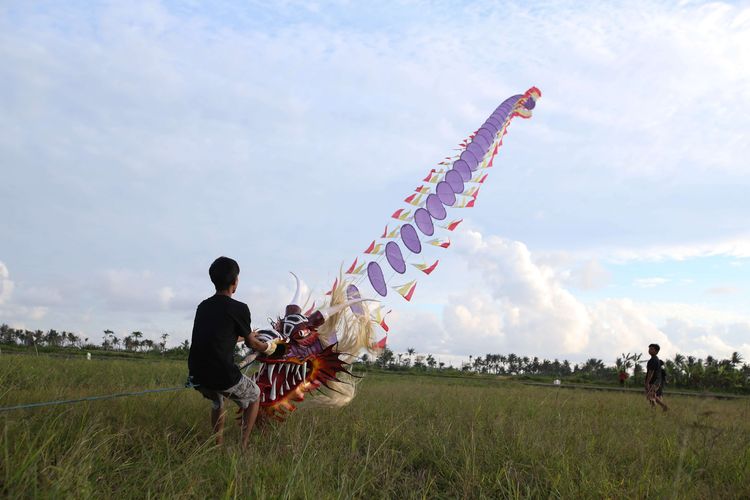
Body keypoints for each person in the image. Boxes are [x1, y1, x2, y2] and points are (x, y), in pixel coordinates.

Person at [188, 256, 278, 448]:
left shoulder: (203, 307)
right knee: (255, 395)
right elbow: (252, 344)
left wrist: (246, 336)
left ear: (213, 279)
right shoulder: (239, 308)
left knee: (218, 400)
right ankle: (243, 445)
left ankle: (217, 444)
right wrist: (268, 347)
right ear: (235, 282)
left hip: (197, 375)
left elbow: (221, 335)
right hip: (222, 376)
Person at [645, 343, 668, 412]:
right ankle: (663, 406)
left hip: (653, 381)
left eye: (652, 349)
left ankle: (654, 411)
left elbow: (651, 372)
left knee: (651, 397)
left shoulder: (653, 360)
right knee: (653, 396)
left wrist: (647, 382)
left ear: (656, 351)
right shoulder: (655, 360)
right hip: (656, 381)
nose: (649, 350)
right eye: (649, 349)